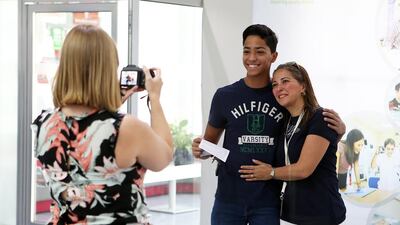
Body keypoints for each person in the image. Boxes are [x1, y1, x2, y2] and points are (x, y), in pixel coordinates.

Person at [191, 24, 345, 225]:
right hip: (228, 199)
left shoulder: (283, 99)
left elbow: (309, 128)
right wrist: (200, 148)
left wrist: (339, 131)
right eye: (247, 51)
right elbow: (208, 146)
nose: (252, 58)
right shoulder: (224, 96)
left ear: (273, 55)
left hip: (268, 202)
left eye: (260, 51)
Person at [32, 24, 173, 225]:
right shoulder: (126, 128)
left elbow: (85, 124)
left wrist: (109, 102)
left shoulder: (44, 123)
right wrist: (155, 98)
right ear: (107, 69)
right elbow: (164, 156)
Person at [238, 62, 346, 225]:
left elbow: (303, 169)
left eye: (285, 81)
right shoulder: (284, 122)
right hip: (292, 214)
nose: (279, 88)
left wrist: (271, 173)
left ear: (303, 86)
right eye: (275, 84)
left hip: (321, 213)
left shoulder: (320, 118)